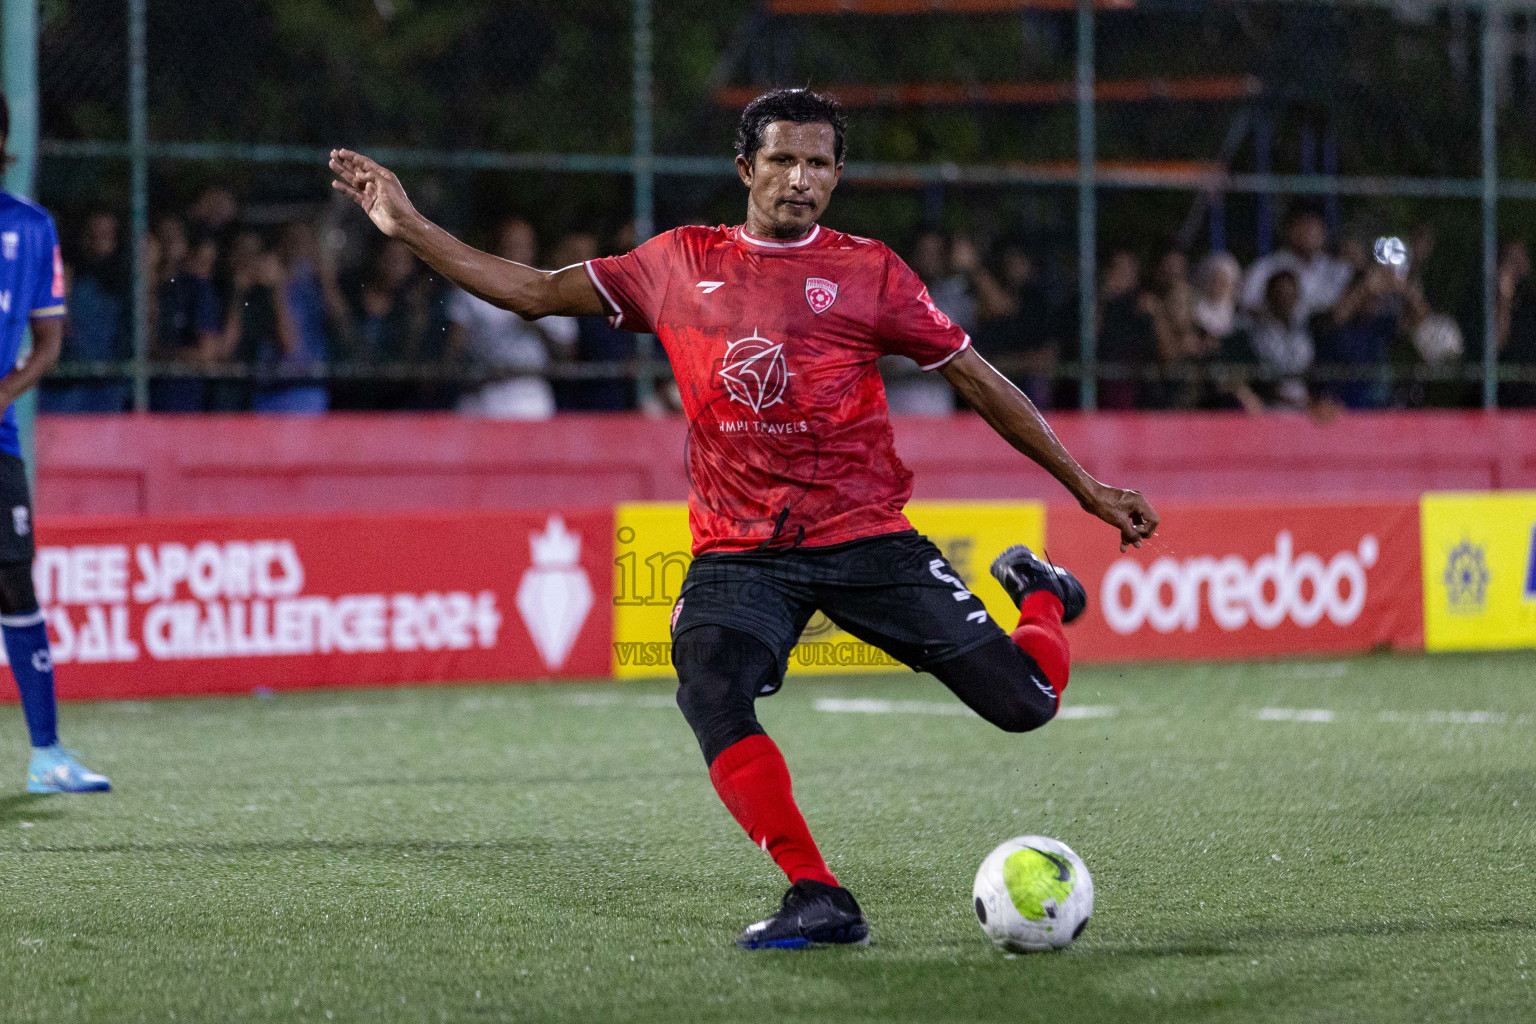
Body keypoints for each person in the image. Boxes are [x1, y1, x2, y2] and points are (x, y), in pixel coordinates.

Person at [329, 87, 1156, 948]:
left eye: (819, 164)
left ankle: (1041, 593)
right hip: (742, 551)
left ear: (838, 174)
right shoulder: (677, 262)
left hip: (865, 535)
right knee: (710, 684)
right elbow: (533, 292)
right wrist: (411, 226)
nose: (801, 179)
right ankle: (818, 895)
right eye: (782, 161)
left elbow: (979, 380)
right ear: (745, 168)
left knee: (1028, 706)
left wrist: (1087, 486)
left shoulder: (872, 272)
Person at [0, 96, 110, 792]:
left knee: (14, 577)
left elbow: (49, 340)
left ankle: (47, 756)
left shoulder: (32, 228)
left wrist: (5, 392)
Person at [446, 218, 575, 419]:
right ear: (496, 247)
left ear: (532, 249)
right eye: (509, 244)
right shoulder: (470, 286)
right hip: (482, 399)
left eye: (522, 246)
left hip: (531, 399)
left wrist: (535, 323)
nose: (515, 251)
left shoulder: (552, 286)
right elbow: (453, 351)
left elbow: (567, 355)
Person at [39, 210, 130, 413]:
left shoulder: (126, 284)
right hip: (65, 387)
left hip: (108, 387)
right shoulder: (67, 275)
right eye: (93, 233)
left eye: (107, 234)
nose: (99, 240)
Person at [147, 214, 221, 412]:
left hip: (182, 405)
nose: (167, 244)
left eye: (174, 237)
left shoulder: (196, 288)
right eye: (162, 237)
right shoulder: (136, 288)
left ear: (185, 244)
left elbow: (206, 354)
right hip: (137, 403)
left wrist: (157, 355)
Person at [1241, 205, 1352, 321]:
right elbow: (1249, 305)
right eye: (1303, 224)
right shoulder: (1265, 267)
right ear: (1289, 229)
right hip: (1277, 334)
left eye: (1315, 225)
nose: (1310, 231)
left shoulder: (1337, 268)